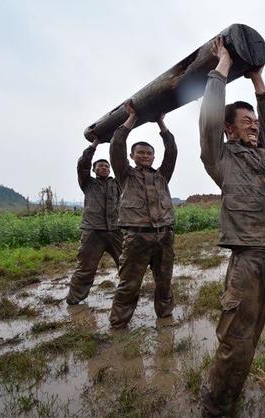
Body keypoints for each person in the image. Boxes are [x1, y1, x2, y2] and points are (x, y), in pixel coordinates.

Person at [199, 37, 265, 417]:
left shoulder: (263, 155)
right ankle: (218, 407)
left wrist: (259, 81)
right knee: (237, 344)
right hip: (250, 263)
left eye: (255, 123)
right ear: (229, 129)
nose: (255, 127)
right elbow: (208, 120)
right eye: (245, 122)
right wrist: (223, 65)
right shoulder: (221, 158)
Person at [108, 100, 177, 329]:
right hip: (137, 238)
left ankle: (165, 318)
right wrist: (132, 118)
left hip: (164, 236)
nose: (145, 156)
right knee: (129, 284)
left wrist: (161, 123)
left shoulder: (162, 176)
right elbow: (116, 144)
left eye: (149, 153)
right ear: (132, 156)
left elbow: (172, 152)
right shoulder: (125, 174)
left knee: (164, 282)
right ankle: (118, 325)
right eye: (141, 153)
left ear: (153, 157)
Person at [66, 134, 122, 305]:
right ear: (94, 170)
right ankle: (74, 301)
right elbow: (82, 165)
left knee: (127, 265)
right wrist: (95, 143)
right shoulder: (87, 183)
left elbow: (122, 166)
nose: (103, 168)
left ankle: (128, 295)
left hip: (115, 231)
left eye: (106, 166)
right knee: (85, 269)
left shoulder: (117, 183)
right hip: (93, 232)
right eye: (100, 166)